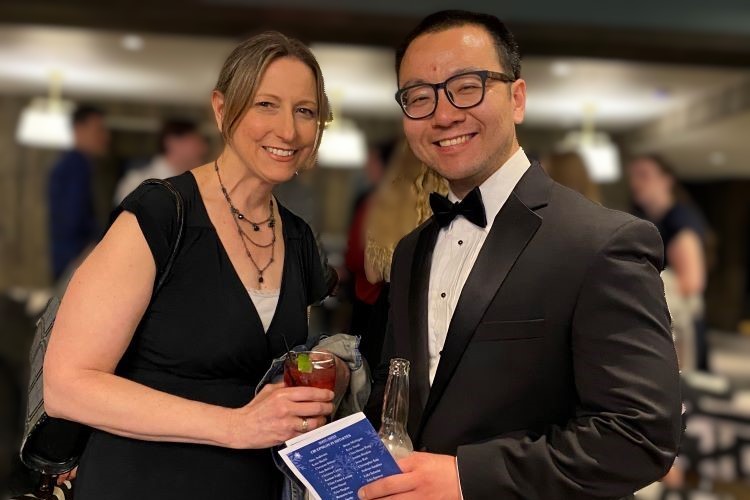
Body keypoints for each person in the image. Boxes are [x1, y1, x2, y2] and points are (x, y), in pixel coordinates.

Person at [361, 10, 681, 500]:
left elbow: (639, 437)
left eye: (466, 86)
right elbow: (401, 390)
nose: (443, 114)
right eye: (419, 97)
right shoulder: (411, 250)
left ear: (517, 98)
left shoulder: (602, 242)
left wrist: (469, 478)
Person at [43, 32, 338, 500]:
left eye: (305, 111)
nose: (288, 130)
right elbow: (67, 386)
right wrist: (236, 425)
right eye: (266, 104)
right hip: (139, 483)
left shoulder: (299, 239)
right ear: (221, 109)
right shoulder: (162, 213)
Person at [359, 142, 447, 370]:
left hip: (387, 314)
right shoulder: (450, 201)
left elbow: (372, 275)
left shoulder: (386, 202)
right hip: (432, 310)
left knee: (384, 393)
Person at [627, 154, 708, 372]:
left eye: (644, 175)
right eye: (633, 176)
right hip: (663, 324)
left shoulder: (679, 219)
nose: (636, 182)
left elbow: (692, 281)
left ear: (666, 180)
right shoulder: (645, 218)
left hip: (679, 329)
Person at [47, 105, 110, 281]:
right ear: (78, 129)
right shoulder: (75, 167)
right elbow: (71, 218)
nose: (105, 137)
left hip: (73, 257)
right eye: (99, 130)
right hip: (77, 258)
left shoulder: (79, 165)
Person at [113, 119, 208, 205]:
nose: (203, 149)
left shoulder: (197, 186)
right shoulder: (136, 183)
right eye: (196, 142)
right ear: (172, 142)